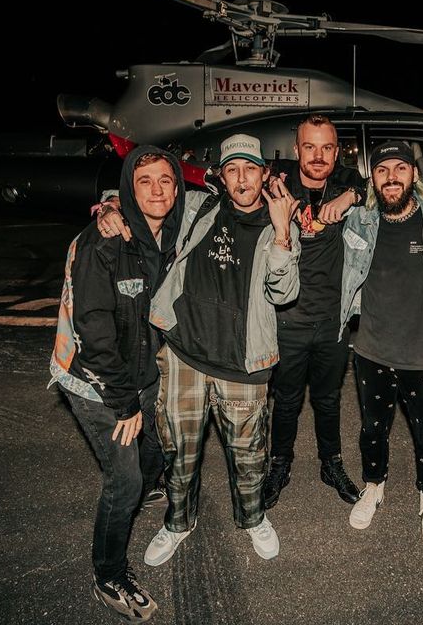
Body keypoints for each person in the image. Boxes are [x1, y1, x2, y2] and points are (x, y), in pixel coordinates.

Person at [142, 133, 301, 566]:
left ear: (265, 174)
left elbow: (284, 292)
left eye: (250, 168)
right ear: (222, 176)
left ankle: (253, 518)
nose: (242, 178)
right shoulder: (199, 207)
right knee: (178, 450)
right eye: (233, 170)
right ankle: (178, 522)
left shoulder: (281, 226)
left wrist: (282, 231)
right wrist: (109, 206)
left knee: (249, 455)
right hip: (184, 355)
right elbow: (148, 197)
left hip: (243, 364)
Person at [49, 144, 185, 622]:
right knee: (123, 481)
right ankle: (108, 575)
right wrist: (124, 403)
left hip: (142, 370)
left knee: (158, 448)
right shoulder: (103, 242)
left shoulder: (169, 234)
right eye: (144, 181)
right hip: (95, 380)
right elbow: (94, 332)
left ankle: (146, 487)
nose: (156, 190)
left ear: (177, 188)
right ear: (129, 188)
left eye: (165, 180)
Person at [338, 141, 423, 550]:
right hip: (371, 351)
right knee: (372, 430)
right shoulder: (359, 222)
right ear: (373, 179)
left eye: (399, 168)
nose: (391, 177)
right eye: (382, 170)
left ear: (413, 174)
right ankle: (373, 486)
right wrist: (345, 197)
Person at [262, 114, 365, 509]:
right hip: (287, 319)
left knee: (328, 399)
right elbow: (227, 182)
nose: (318, 156)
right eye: (310, 147)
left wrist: (349, 196)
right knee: (286, 400)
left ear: (336, 152)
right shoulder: (278, 182)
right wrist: (113, 202)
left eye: (326, 148)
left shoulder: (347, 182)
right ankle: (280, 465)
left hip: (333, 322)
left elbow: (377, 185)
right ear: (296, 149)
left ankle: (331, 463)